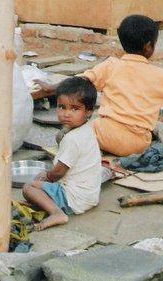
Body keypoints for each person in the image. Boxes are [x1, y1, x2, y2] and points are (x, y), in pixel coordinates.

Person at [37, 15, 163, 157]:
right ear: (149, 47)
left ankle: (91, 153)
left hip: (104, 133)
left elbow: (80, 81)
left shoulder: (110, 66)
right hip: (137, 143)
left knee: (69, 134)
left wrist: (52, 88)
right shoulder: (161, 76)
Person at [22, 77, 102, 231]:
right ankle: (45, 203)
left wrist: (47, 176)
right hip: (89, 196)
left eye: (74, 109)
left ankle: (57, 213)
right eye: (61, 107)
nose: (66, 114)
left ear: (89, 111)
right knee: (41, 185)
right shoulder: (85, 129)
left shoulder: (73, 139)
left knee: (29, 187)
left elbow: (59, 172)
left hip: (74, 199)